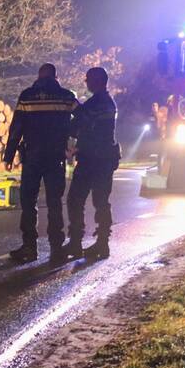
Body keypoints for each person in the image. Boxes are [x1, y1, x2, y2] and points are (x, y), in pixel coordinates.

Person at [3, 63, 78, 263]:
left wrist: (9, 155)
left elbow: (16, 128)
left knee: (29, 202)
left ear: (39, 76)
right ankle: (56, 248)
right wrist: (71, 138)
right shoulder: (66, 96)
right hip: (56, 156)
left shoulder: (27, 95)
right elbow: (82, 118)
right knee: (55, 203)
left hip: (32, 157)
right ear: (55, 76)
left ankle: (30, 247)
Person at [66, 67, 121, 261]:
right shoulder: (106, 102)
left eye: (88, 79)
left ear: (97, 81)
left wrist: (74, 106)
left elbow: (81, 122)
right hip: (103, 159)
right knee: (100, 201)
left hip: (92, 159)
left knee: (76, 199)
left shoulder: (99, 103)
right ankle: (101, 243)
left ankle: (77, 242)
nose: (86, 82)